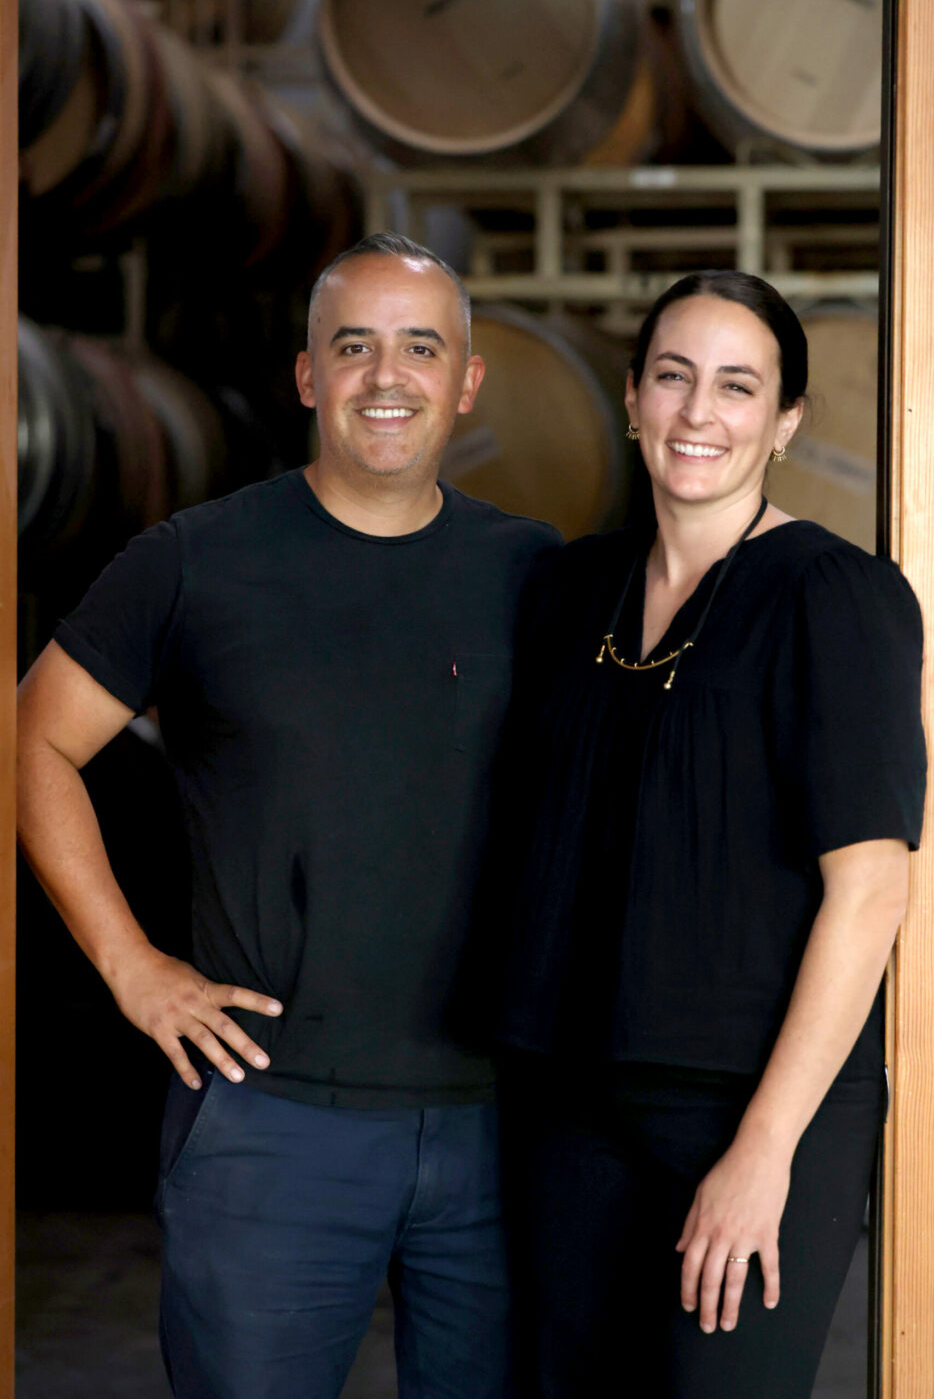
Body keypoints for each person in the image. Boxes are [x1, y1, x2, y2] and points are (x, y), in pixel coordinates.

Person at [16, 232, 560, 1399]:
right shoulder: (196, 561)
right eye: (352, 345)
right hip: (272, 1125)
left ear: (466, 381)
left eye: (420, 347)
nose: (386, 376)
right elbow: (37, 739)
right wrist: (129, 963)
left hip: (502, 1126)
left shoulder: (537, 576)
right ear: (306, 374)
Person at [494, 271, 926, 1399]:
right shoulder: (565, 588)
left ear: (783, 422)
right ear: (630, 397)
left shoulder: (834, 597)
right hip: (568, 1101)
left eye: (738, 387)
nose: (699, 413)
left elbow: (872, 888)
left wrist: (762, 1149)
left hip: (743, 1108)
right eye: (674, 377)